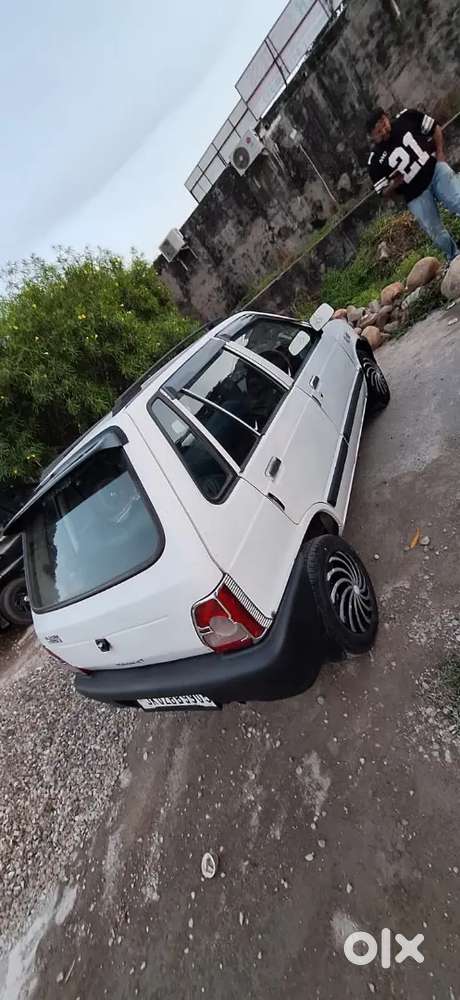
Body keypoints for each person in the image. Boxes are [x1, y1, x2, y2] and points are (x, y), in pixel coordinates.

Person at [367, 107, 460, 261]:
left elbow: (434, 127)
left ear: (386, 118)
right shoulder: (375, 160)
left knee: (457, 200)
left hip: (435, 171)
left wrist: (440, 153)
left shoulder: (407, 118)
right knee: (435, 230)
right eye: (378, 132)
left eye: (383, 126)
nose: (383, 132)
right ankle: (454, 256)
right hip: (415, 194)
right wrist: (395, 184)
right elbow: (382, 191)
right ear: (372, 136)